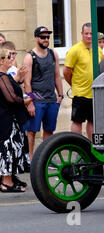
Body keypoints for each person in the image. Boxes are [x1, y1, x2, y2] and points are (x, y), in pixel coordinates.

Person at [23, 26, 64, 160]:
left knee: (49, 130)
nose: (46, 39)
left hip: (51, 99)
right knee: (32, 131)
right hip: (37, 100)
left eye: (47, 37)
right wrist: (30, 103)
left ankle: (46, 158)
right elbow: (27, 82)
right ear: (36, 38)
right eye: (43, 37)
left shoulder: (53, 54)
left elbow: (57, 75)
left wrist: (60, 95)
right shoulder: (30, 56)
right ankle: (31, 157)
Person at [63, 23, 102, 141]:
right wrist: (74, 85)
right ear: (82, 34)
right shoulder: (74, 50)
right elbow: (66, 72)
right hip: (80, 93)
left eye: (91, 34)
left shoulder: (98, 49)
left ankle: (91, 147)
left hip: (94, 92)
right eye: (86, 33)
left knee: (92, 121)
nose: (89, 36)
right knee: (77, 121)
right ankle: (77, 147)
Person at [0, 47, 29, 192]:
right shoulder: (1, 76)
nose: (12, 58)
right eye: (8, 56)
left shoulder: (6, 76)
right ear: (1, 61)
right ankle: (6, 182)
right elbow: (11, 98)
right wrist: (26, 101)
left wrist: (18, 77)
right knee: (7, 149)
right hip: (6, 120)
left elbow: (12, 88)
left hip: (9, 118)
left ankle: (9, 179)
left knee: (11, 148)